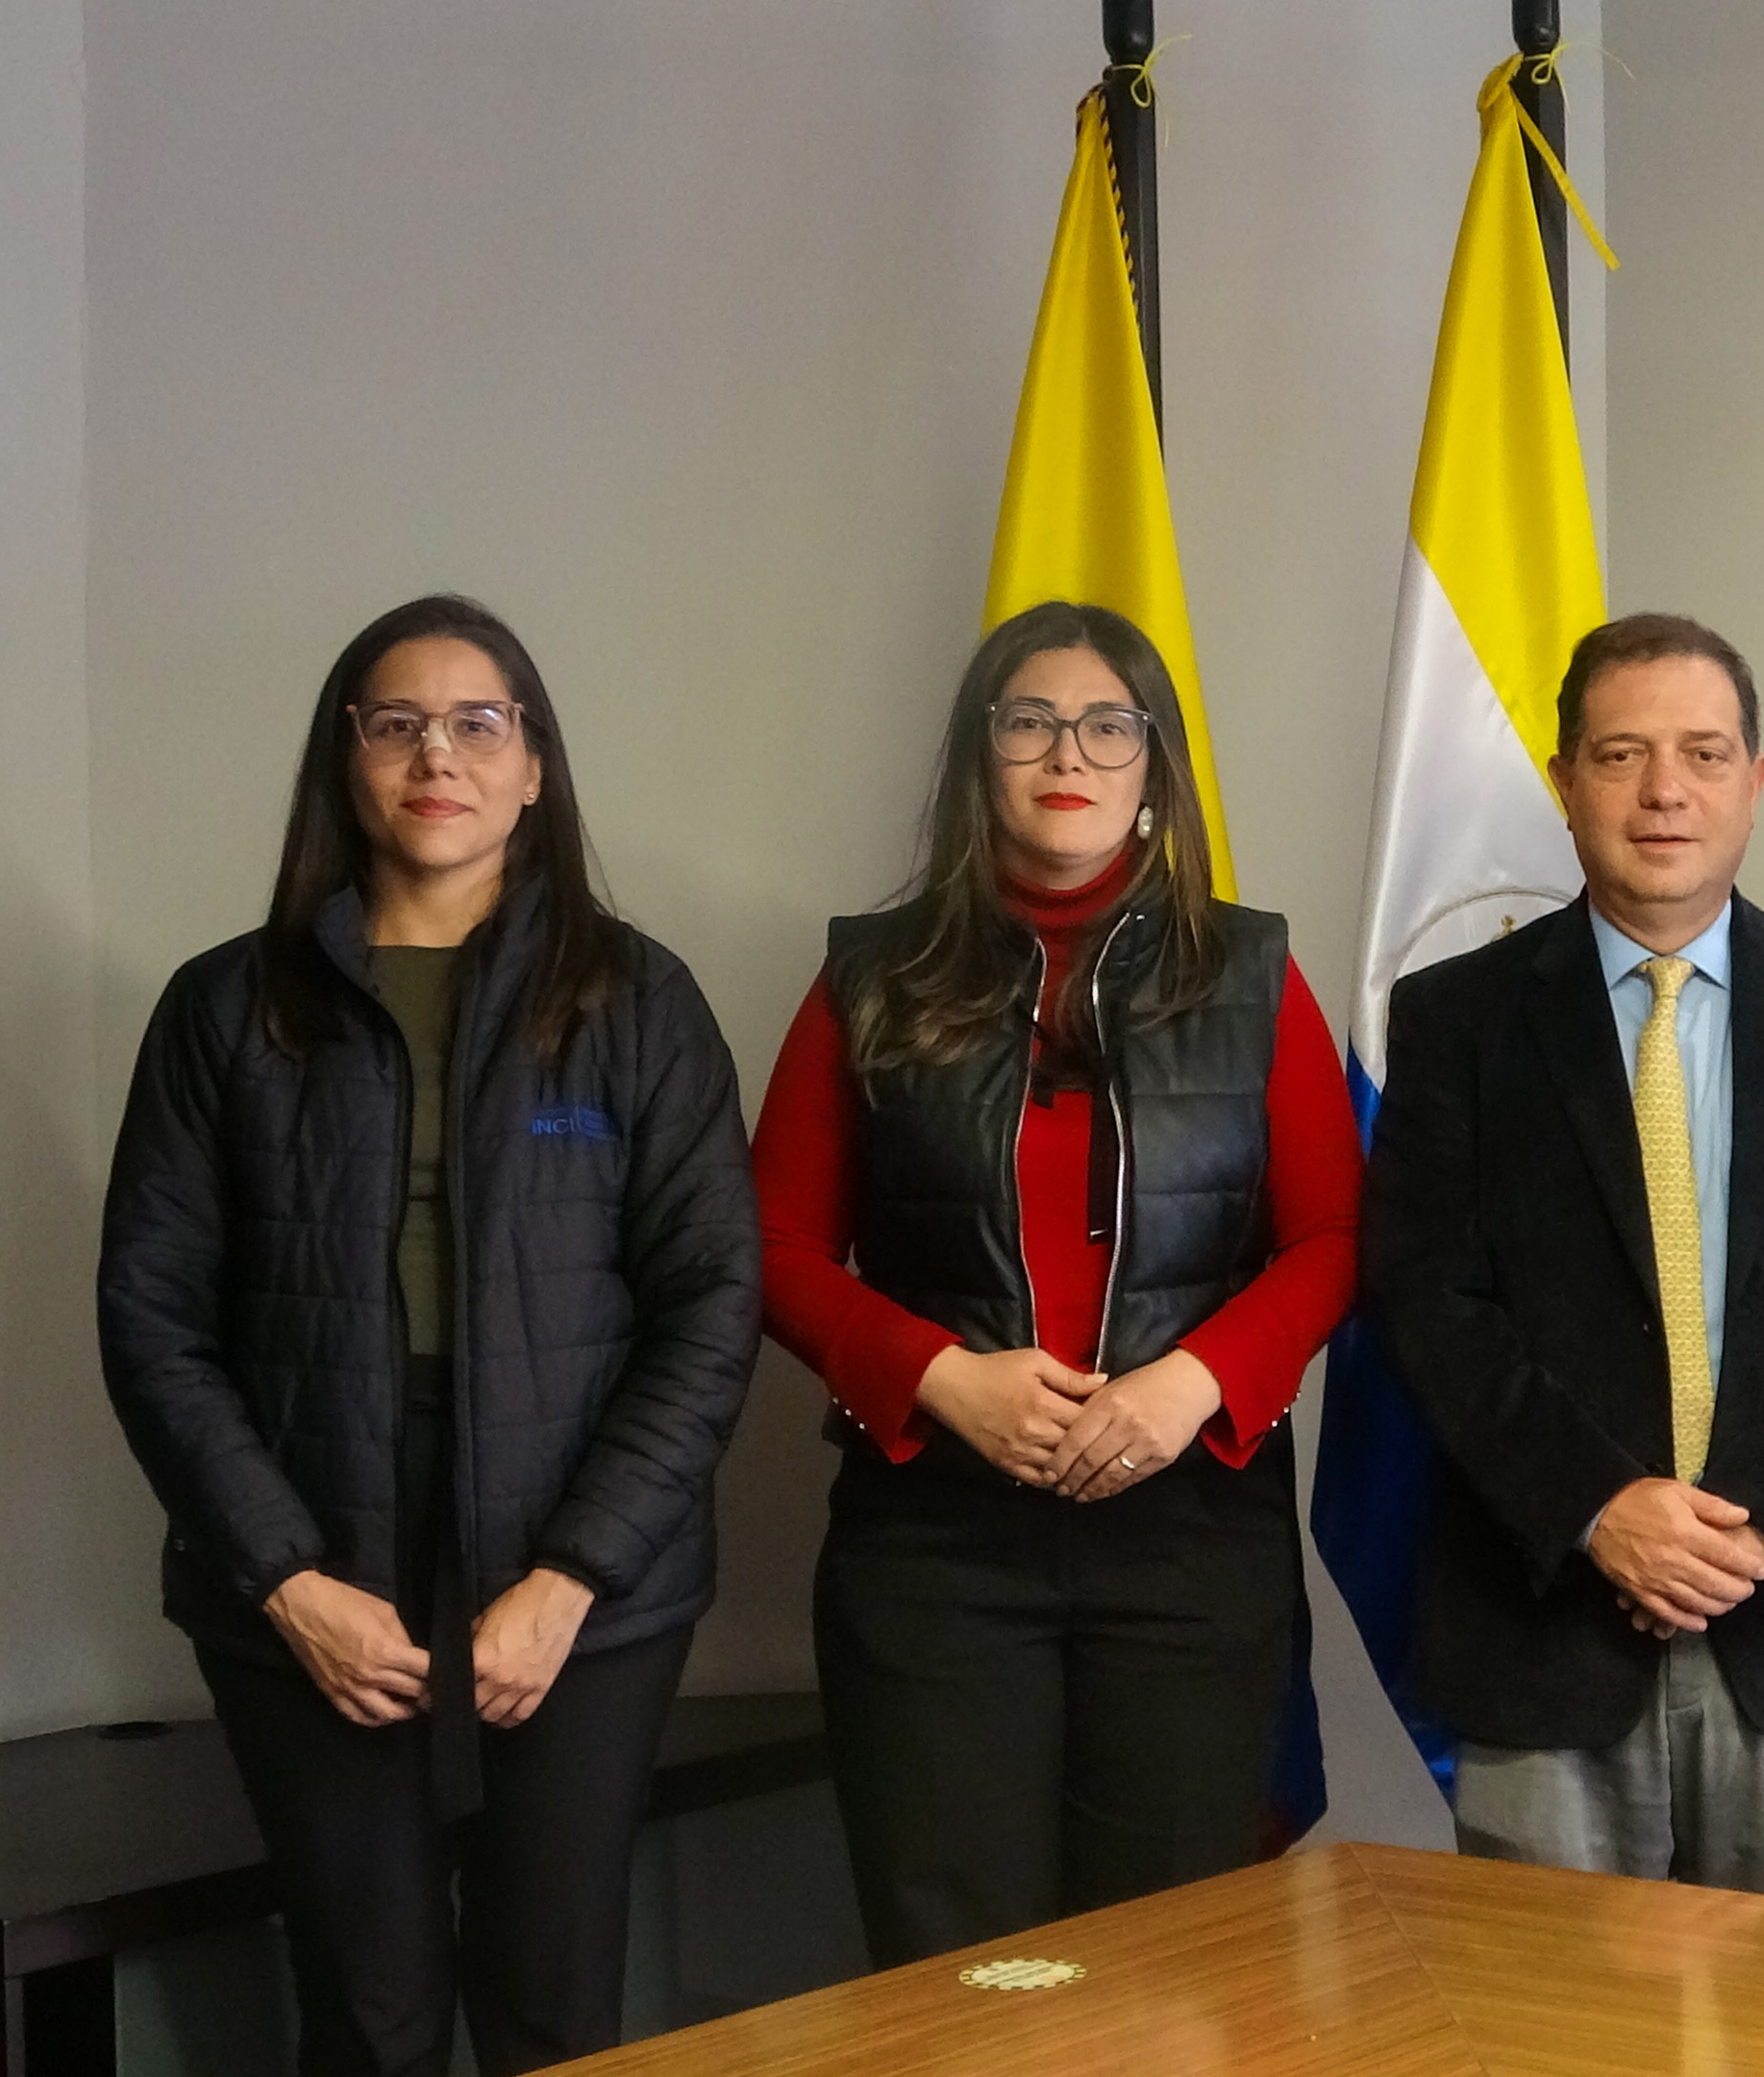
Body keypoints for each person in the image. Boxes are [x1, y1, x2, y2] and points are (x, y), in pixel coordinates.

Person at [96, 595, 760, 2076]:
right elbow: (152, 1317)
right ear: (346, 762)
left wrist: (575, 1572)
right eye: (394, 723)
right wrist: (285, 1577)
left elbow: (712, 1305)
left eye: (479, 721)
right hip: (311, 1534)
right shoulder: (226, 1009)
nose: (435, 755)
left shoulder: (639, 1002)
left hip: (581, 1542)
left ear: (535, 767)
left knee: (551, 2011)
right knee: (372, 2013)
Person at [754, 600, 1360, 1964]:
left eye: (1106, 724)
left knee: (1168, 1973)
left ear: (1157, 767)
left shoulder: (1251, 970)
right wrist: (939, 1380)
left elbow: (1335, 1239)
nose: (1065, 751)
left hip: (1190, 1533)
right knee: (964, 1973)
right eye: (1027, 720)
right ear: (982, 758)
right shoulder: (870, 975)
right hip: (939, 1548)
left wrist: (1188, 1386)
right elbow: (769, 1247)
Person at [1361, 613, 1764, 1904]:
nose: (1663, 791)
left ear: (1756, 781)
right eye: (1621, 754)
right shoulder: (1455, 1019)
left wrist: (1752, 1525)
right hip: (1546, 1613)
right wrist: (1601, 1510)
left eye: (1702, 752)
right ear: (1563, 782)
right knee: (1553, 2032)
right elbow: (1428, 1296)